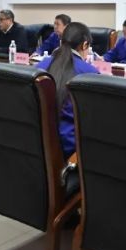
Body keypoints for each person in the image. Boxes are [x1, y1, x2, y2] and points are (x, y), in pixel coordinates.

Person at [37, 22, 99, 158]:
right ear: (85, 45)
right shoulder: (90, 73)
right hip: (70, 148)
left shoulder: (41, 65)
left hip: (37, 142)